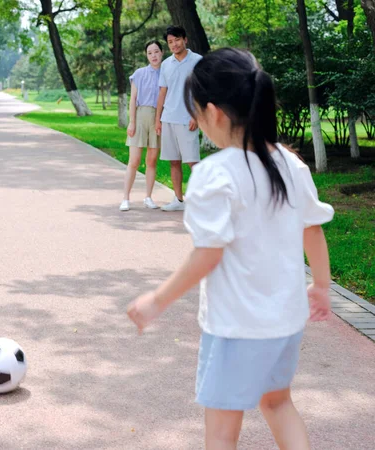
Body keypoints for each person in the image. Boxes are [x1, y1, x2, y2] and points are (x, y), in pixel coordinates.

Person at [127, 48, 334, 449]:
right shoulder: (293, 165)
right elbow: (313, 230)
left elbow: (209, 253)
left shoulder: (213, 175)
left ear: (213, 113)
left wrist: (157, 300)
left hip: (235, 327)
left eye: (197, 115)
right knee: (278, 405)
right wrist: (321, 286)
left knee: (222, 430)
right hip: (285, 322)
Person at [155, 26, 203, 211]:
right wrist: (158, 119)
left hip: (187, 119)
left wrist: (196, 115)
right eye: (170, 42)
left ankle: (204, 200)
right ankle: (178, 200)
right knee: (173, 161)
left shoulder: (198, 61)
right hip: (168, 118)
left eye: (177, 40)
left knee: (193, 162)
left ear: (185, 39)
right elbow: (162, 92)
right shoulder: (166, 64)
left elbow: (202, 90)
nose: (174, 44)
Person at [120, 40, 163, 212]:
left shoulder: (166, 74)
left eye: (156, 52)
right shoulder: (139, 73)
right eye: (150, 53)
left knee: (151, 160)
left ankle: (148, 197)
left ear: (162, 53)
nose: (153, 55)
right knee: (134, 160)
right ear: (147, 55)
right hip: (140, 116)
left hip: (157, 118)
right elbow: (132, 100)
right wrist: (132, 122)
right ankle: (125, 198)